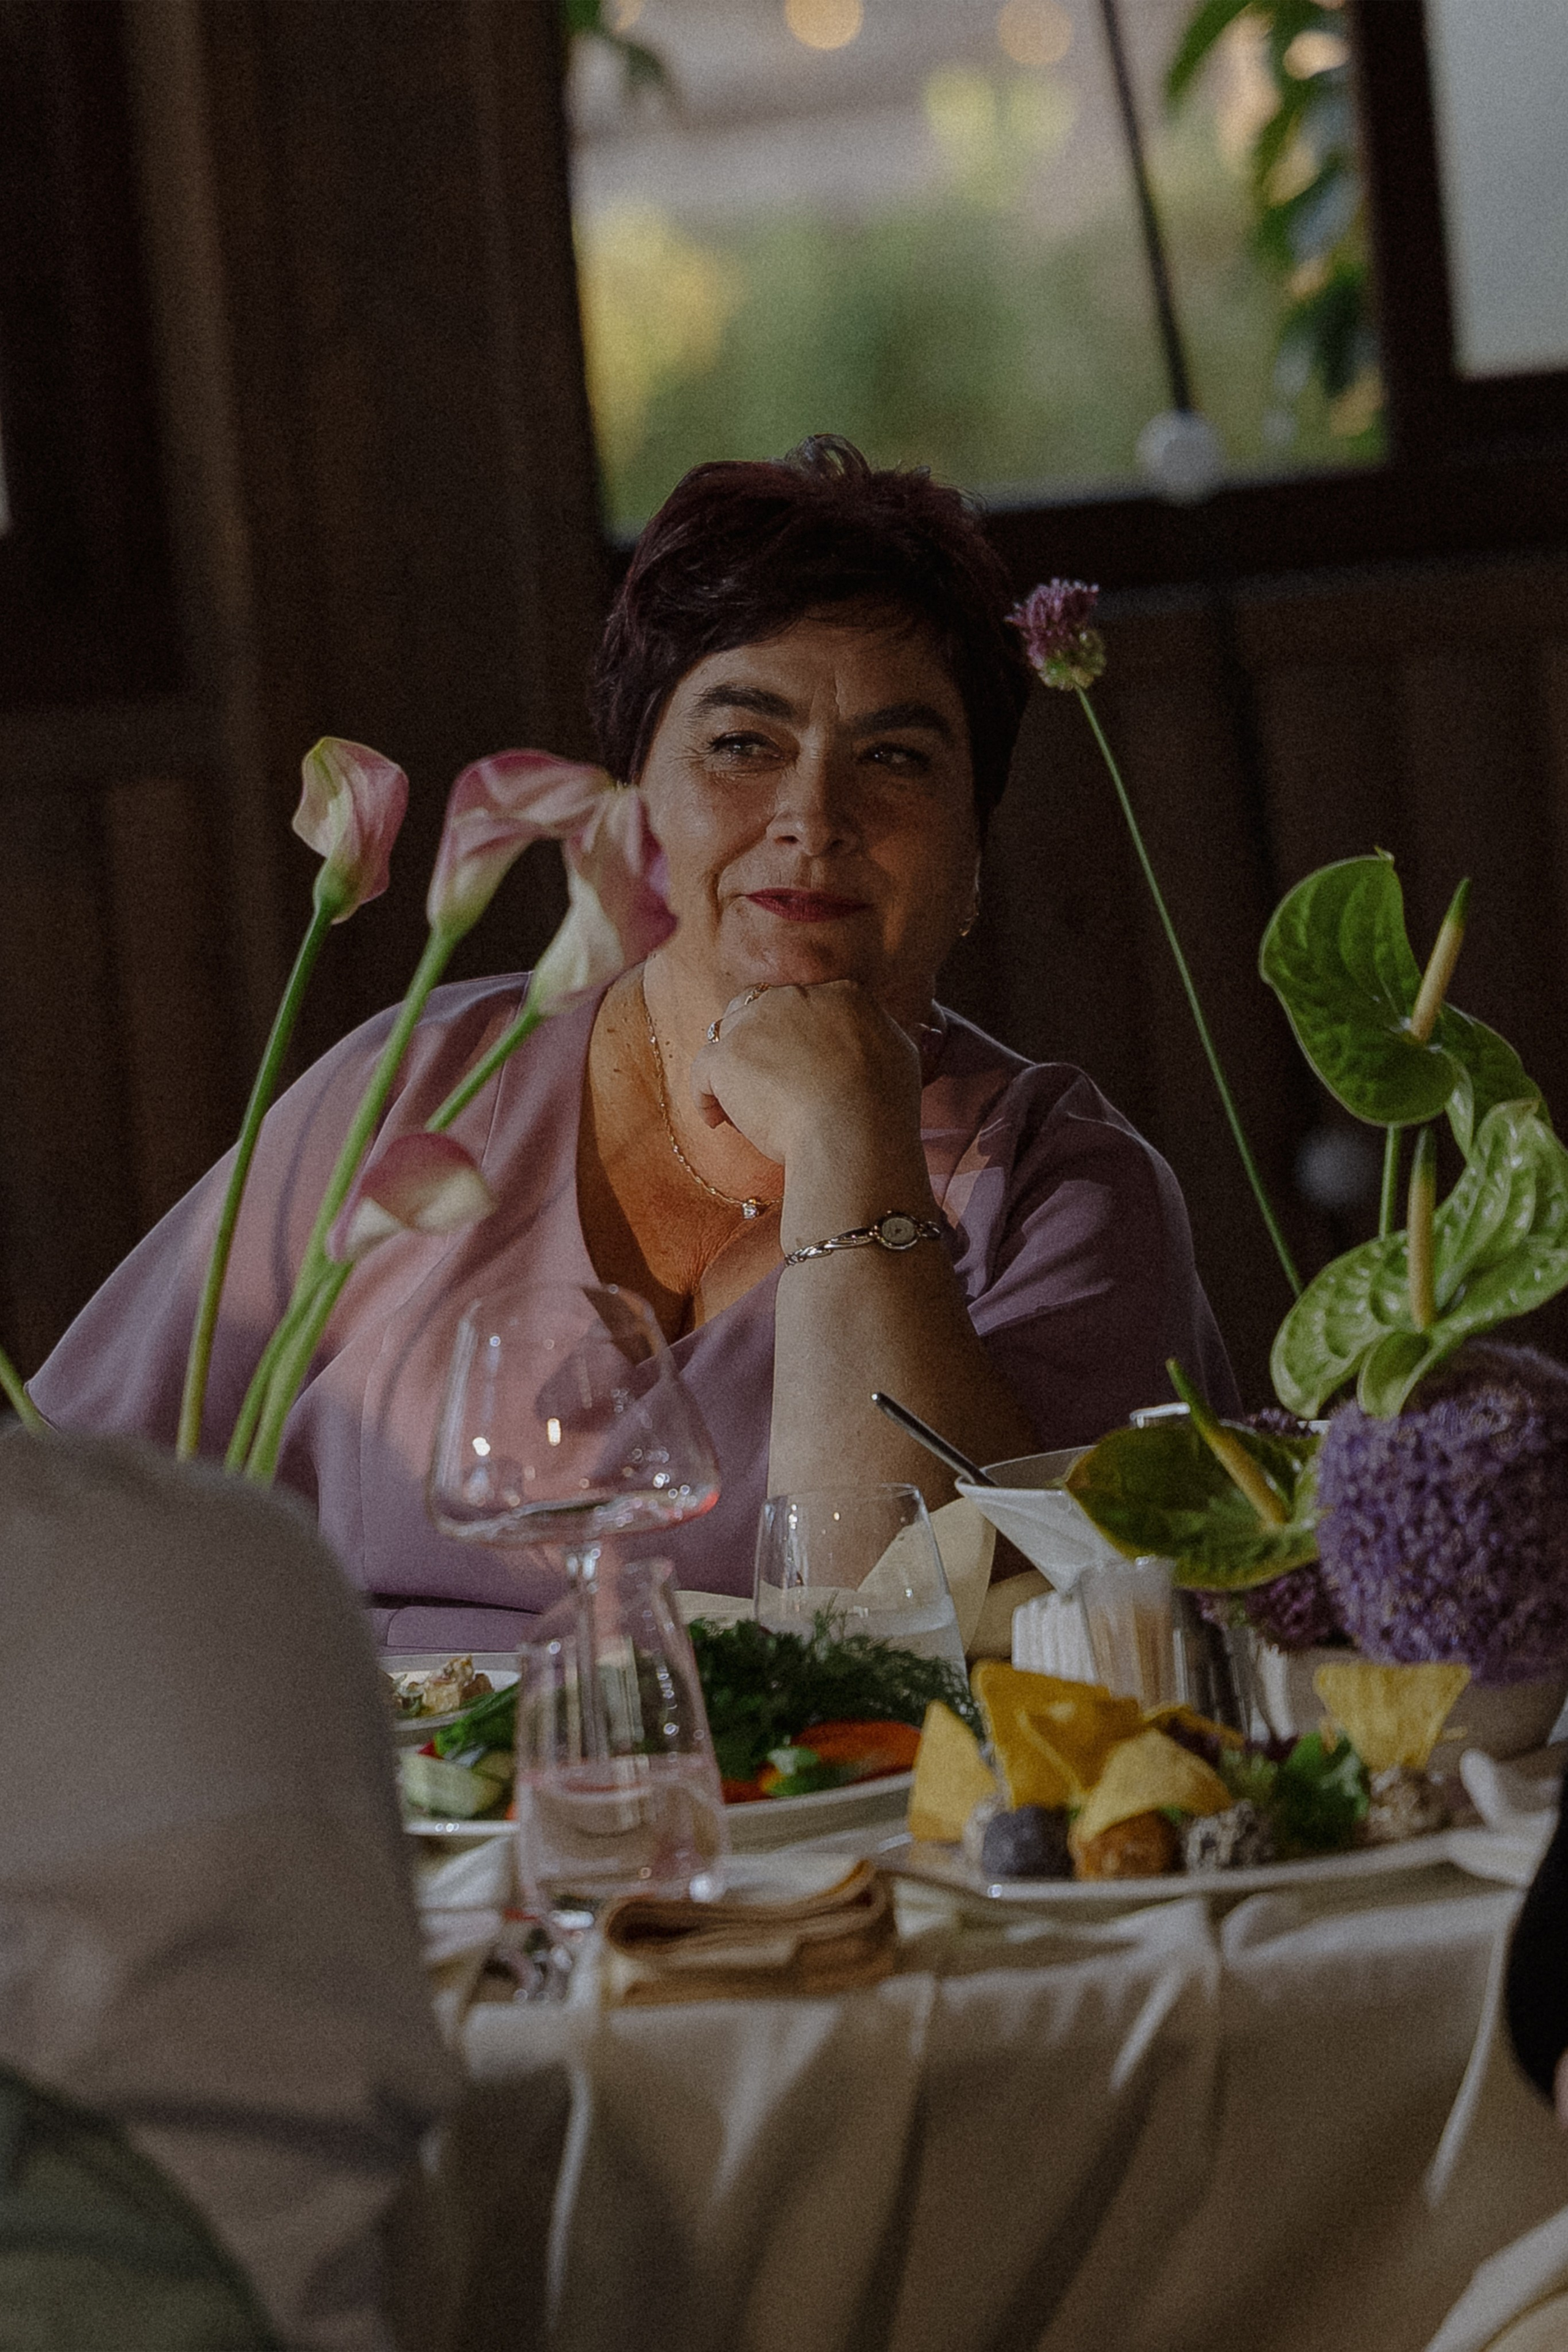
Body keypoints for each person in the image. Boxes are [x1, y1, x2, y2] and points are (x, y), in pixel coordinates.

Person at [29, 437, 1235, 1651]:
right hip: (391, 1821)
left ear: (971, 859)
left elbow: (905, 1643)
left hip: (839, 1829)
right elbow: (61, 1501)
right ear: (630, 810)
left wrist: (847, 1139)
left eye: (895, 757)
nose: (813, 817)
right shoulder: (417, 1093)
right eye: (742, 744)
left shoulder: (1067, 1197)